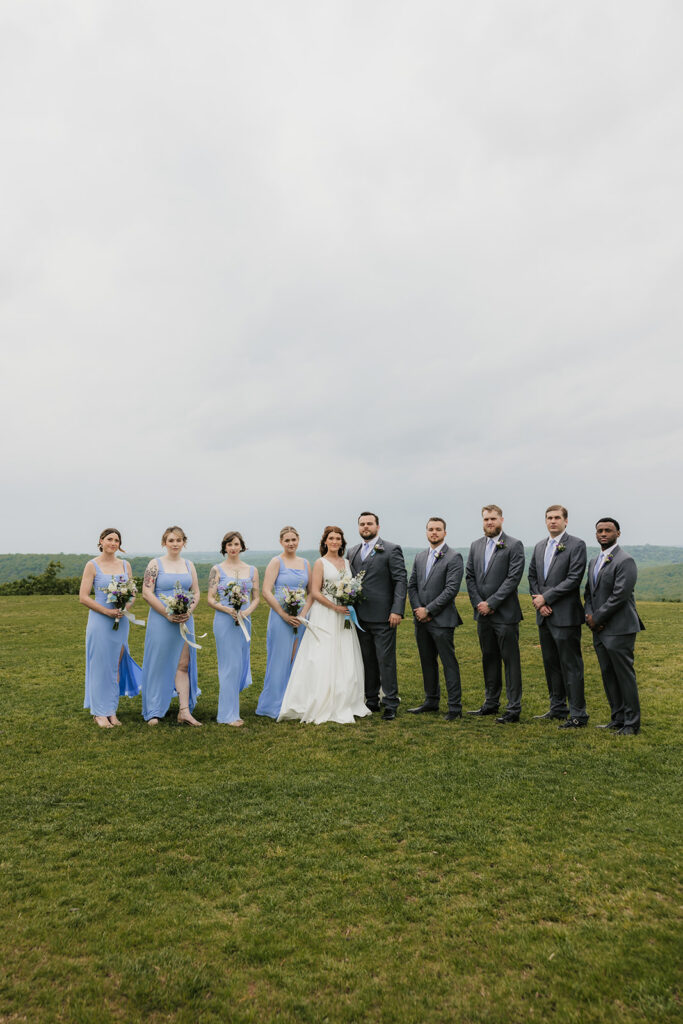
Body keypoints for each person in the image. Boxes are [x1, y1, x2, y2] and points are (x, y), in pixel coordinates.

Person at [278, 526, 370, 725]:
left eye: (338, 538)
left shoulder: (347, 562)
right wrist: (334, 607)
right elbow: (315, 592)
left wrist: (349, 598)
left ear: (341, 542)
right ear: (325, 542)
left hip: (344, 614)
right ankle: (321, 699)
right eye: (331, 538)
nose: (335, 541)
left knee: (344, 653)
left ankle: (345, 699)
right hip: (326, 613)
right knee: (323, 653)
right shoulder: (320, 563)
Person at [528, 505, 588, 728]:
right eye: (549, 518)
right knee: (551, 664)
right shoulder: (539, 546)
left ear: (566, 521)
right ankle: (558, 708)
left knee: (571, 665)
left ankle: (578, 714)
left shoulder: (576, 545)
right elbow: (532, 576)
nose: (552, 521)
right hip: (544, 615)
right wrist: (539, 602)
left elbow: (573, 578)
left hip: (565, 615)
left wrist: (547, 598)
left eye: (557, 517)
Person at [465, 505, 525, 723]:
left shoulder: (514, 545)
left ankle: (513, 708)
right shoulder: (476, 545)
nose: (489, 522)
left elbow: (513, 578)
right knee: (488, 658)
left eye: (493, 518)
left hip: (505, 614)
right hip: (483, 615)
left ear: (501, 520)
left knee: (510, 662)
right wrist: (478, 604)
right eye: (486, 519)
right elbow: (470, 576)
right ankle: (490, 703)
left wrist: (492, 603)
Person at [584, 518, 644, 735]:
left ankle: (631, 723)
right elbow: (588, 593)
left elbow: (620, 595)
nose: (603, 534)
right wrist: (589, 616)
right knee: (608, 674)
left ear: (618, 533)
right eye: (599, 530)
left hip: (619, 628)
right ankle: (617, 718)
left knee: (624, 676)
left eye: (608, 530)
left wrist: (598, 618)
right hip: (599, 629)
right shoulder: (594, 561)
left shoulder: (625, 560)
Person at [347, 512, 407, 721]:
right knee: (367, 660)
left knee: (385, 660)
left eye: (369, 523)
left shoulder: (391, 549)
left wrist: (397, 610)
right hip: (359, 617)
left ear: (377, 527)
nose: (366, 527)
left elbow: (400, 580)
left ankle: (390, 702)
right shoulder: (352, 551)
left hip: (384, 616)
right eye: (362, 524)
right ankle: (371, 699)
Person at [79, 527, 142, 728]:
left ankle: (111, 711)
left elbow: (132, 593)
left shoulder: (125, 565)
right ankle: (99, 713)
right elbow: (83, 597)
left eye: (116, 540)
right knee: (100, 667)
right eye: (109, 539)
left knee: (116, 665)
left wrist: (125, 608)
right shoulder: (92, 565)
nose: (113, 543)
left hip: (120, 621)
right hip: (99, 621)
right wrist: (106, 612)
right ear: (101, 541)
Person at [141, 526, 201, 726]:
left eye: (179, 540)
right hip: (161, 619)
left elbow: (196, 592)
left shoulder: (189, 565)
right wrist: (167, 613)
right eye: (171, 540)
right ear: (164, 543)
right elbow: (147, 592)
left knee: (183, 664)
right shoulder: (155, 564)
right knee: (158, 663)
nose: (175, 544)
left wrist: (188, 611)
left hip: (184, 620)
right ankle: (154, 711)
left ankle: (184, 711)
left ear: (184, 542)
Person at [407, 517, 464, 721]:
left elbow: (451, 590)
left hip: (442, 620)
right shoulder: (420, 556)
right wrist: (418, 610)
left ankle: (455, 707)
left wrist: (429, 610)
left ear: (444, 533)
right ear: (426, 532)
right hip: (420, 620)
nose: (434, 532)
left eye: (438, 529)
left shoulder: (454, 557)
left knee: (449, 663)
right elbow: (412, 585)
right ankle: (431, 701)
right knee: (427, 661)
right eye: (430, 529)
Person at [256, 526, 310, 719]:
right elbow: (266, 591)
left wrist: (303, 614)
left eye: (293, 539)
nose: (291, 543)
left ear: (298, 540)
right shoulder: (276, 561)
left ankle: (293, 701)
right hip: (281, 617)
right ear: (281, 542)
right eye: (287, 540)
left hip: (301, 618)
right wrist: (283, 614)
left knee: (297, 658)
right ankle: (273, 704)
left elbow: (311, 592)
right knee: (279, 658)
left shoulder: (305, 563)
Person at [207, 531, 260, 727]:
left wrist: (246, 613)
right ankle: (227, 714)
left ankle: (232, 708)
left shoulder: (252, 570)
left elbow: (256, 598)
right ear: (224, 547)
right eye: (229, 544)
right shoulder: (216, 570)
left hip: (244, 620)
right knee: (228, 666)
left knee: (239, 664)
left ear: (242, 546)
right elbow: (210, 598)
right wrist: (227, 609)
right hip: (224, 621)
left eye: (236, 544)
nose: (233, 548)